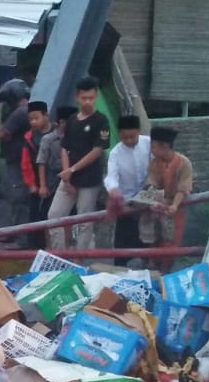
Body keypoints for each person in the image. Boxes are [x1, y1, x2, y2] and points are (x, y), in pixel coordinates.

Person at [48, 76, 110, 250]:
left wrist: (73, 169)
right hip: (68, 178)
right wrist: (67, 174)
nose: (88, 102)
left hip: (89, 179)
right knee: (54, 216)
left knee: (84, 221)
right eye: (84, 98)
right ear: (77, 97)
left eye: (91, 98)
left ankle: (81, 260)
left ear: (96, 97)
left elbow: (98, 150)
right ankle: (60, 255)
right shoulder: (73, 120)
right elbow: (64, 147)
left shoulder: (101, 121)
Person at [139, 126, 192, 270]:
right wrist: (148, 199)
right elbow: (151, 182)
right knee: (154, 239)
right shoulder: (154, 163)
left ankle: (166, 271)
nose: (151, 149)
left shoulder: (184, 163)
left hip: (176, 207)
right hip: (159, 205)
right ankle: (153, 267)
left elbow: (183, 188)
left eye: (154, 146)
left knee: (171, 242)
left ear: (165, 146)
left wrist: (174, 205)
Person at [104, 115, 151, 263]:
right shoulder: (115, 153)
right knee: (122, 246)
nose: (129, 141)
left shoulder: (149, 144)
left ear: (138, 131)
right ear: (119, 135)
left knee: (149, 243)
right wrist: (113, 190)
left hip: (149, 200)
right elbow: (111, 176)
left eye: (132, 136)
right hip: (127, 202)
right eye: (125, 138)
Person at [0, 80, 32, 231]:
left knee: (10, 197)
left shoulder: (21, 112)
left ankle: (6, 232)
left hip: (17, 161)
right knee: (16, 197)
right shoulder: (27, 110)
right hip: (19, 160)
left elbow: (2, 133)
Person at [21, 102, 53, 246]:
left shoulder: (56, 134)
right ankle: (35, 247)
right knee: (34, 216)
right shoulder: (29, 137)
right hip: (36, 182)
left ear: (46, 116)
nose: (33, 122)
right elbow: (25, 163)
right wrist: (32, 184)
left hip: (54, 181)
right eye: (30, 119)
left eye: (36, 118)